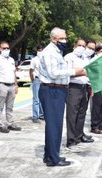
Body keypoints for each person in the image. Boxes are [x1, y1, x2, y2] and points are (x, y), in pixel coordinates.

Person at [38, 27, 85, 167]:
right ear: (53, 39)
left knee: (54, 125)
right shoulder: (49, 52)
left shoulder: (56, 52)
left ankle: (50, 155)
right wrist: (74, 72)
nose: (65, 41)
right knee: (54, 126)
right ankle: (53, 159)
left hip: (57, 90)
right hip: (52, 90)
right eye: (62, 38)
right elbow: (53, 73)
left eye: (65, 38)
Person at [64, 39, 94, 151]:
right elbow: (66, 73)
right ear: (74, 46)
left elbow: (88, 73)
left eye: (83, 46)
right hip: (73, 88)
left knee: (82, 114)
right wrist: (79, 73)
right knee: (72, 115)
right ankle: (71, 140)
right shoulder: (69, 57)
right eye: (79, 45)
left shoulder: (84, 59)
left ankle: (78, 136)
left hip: (84, 88)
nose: (81, 47)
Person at [0, 41, 21, 133]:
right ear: (0, 49)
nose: (6, 50)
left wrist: (16, 85)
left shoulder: (11, 60)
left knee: (10, 106)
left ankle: (10, 123)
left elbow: (14, 73)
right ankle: (0, 125)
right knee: (0, 107)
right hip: (2, 85)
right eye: (4, 48)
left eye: (8, 48)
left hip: (11, 85)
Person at [90, 43, 102, 134]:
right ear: (96, 52)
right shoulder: (93, 61)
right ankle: (94, 126)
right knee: (96, 107)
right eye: (101, 51)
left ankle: (100, 123)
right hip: (97, 85)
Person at [29, 45, 44, 123]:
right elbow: (31, 70)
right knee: (36, 99)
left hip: (44, 81)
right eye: (39, 50)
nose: (40, 51)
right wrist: (33, 80)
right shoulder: (34, 60)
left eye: (42, 49)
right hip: (37, 80)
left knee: (42, 99)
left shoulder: (46, 59)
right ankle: (35, 116)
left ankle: (42, 115)